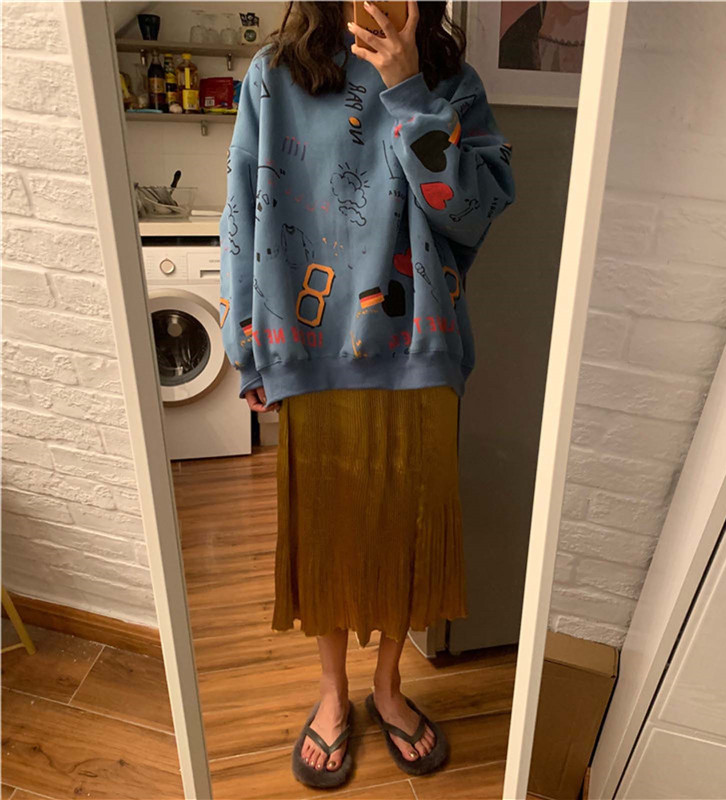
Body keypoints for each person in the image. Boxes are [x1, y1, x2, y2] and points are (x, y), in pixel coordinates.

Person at [219, 0, 515, 788]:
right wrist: (246, 349)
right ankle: (331, 691)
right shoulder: (273, 76)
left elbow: (472, 214)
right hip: (309, 350)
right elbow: (241, 215)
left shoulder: (452, 82)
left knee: (406, 538)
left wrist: (409, 90)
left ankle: (387, 687)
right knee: (327, 536)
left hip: (420, 349)